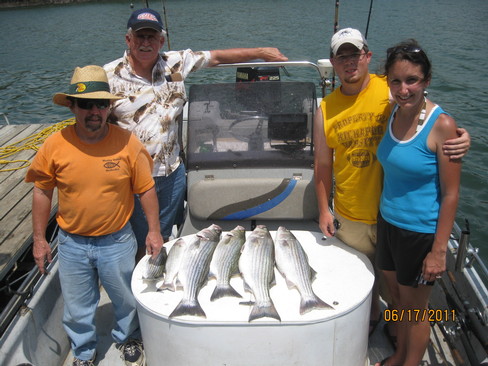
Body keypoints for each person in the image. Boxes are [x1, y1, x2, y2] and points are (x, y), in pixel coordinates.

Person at [313, 28, 470, 338]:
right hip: (352, 212)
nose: (350, 63)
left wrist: (460, 136)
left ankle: (402, 337)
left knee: (399, 293)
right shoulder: (325, 109)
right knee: (363, 282)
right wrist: (323, 209)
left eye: (355, 54)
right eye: (342, 57)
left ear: (367, 56)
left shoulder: (390, 88)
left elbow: (427, 113)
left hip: (392, 216)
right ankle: (372, 322)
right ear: (332, 62)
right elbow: (321, 164)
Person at [104, 8, 288, 261]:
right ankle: (137, 286)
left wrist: (261, 53)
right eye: (139, 37)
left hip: (171, 174)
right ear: (128, 40)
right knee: (134, 241)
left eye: (151, 37)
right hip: (130, 178)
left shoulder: (175, 62)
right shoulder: (108, 76)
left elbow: (217, 57)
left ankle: (161, 279)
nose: (145, 43)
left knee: (164, 237)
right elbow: (88, 119)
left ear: (161, 41)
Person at [25, 65, 164, 366]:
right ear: (72, 106)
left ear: (109, 107)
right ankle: (84, 353)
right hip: (72, 244)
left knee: (126, 299)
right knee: (76, 307)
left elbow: (147, 190)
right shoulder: (54, 145)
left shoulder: (128, 143)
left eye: (101, 104)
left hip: (116, 241)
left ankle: (129, 337)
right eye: (86, 104)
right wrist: (39, 240)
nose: (94, 111)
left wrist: (154, 231)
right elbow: (41, 192)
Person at [373, 39, 461, 366]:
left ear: (426, 81)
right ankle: (399, 354)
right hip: (389, 223)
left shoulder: (443, 125)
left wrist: (439, 250)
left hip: (419, 233)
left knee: (415, 309)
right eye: (395, 80)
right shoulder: (393, 110)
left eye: (412, 80)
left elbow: (451, 193)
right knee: (396, 297)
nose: (404, 88)